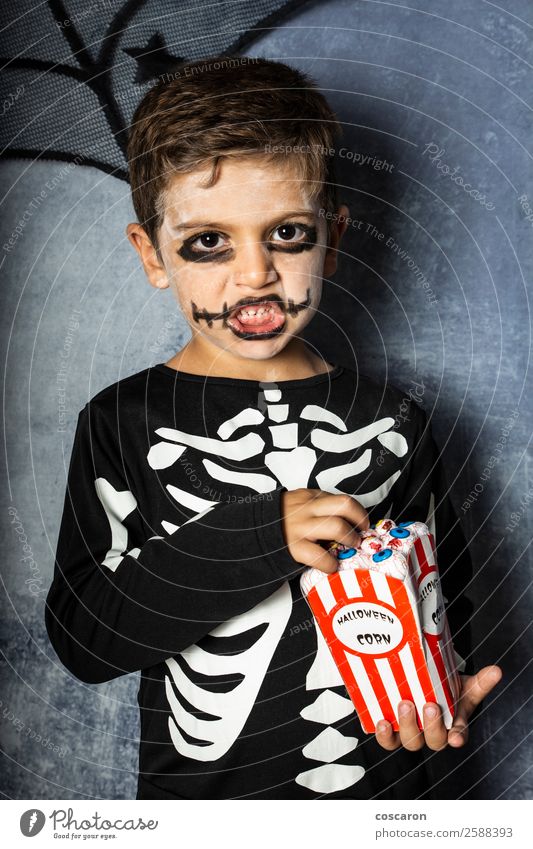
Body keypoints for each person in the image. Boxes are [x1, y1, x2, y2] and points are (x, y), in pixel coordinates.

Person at [45, 56, 501, 800]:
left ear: (333, 236)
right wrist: (256, 534)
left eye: (286, 233)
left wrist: (445, 694)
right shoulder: (120, 422)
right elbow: (85, 638)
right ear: (151, 255)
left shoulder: (393, 421)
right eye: (208, 242)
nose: (253, 273)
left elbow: (452, 603)